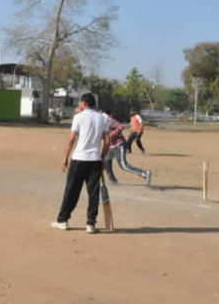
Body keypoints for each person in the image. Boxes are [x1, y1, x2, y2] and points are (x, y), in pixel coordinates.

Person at [52, 93, 109, 234]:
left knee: (71, 190)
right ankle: (91, 224)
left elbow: (71, 139)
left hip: (79, 158)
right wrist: (102, 157)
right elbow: (107, 140)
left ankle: (63, 220)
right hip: (95, 160)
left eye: (80, 103)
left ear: (84, 103)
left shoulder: (79, 117)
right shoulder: (102, 118)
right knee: (93, 193)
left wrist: (65, 158)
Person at [102, 110, 152, 186]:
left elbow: (120, 126)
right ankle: (113, 181)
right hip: (110, 146)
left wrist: (111, 135)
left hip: (119, 145)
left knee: (123, 165)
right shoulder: (94, 121)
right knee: (106, 162)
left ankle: (145, 173)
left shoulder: (106, 118)